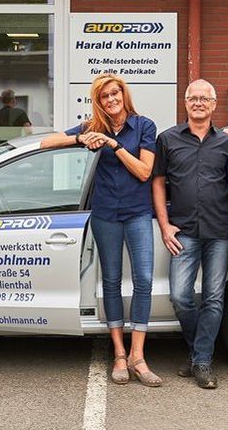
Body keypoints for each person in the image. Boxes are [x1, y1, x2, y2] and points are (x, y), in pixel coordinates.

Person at [40, 74, 160, 387]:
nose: (110, 100)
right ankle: (119, 353)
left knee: (144, 279)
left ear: (124, 95)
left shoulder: (144, 126)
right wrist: (81, 139)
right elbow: (46, 142)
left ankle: (138, 355)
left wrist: (113, 144)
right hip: (106, 214)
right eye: (104, 96)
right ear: (99, 101)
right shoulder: (93, 126)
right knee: (110, 280)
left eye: (114, 94)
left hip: (137, 213)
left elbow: (144, 171)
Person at [152, 79, 228, 389]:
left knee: (214, 298)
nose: (199, 102)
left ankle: (201, 361)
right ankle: (199, 349)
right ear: (185, 103)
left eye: (205, 98)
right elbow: (158, 182)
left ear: (214, 105)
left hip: (219, 230)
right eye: (193, 98)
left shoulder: (226, 143)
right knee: (180, 296)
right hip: (183, 230)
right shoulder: (168, 139)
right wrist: (164, 225)